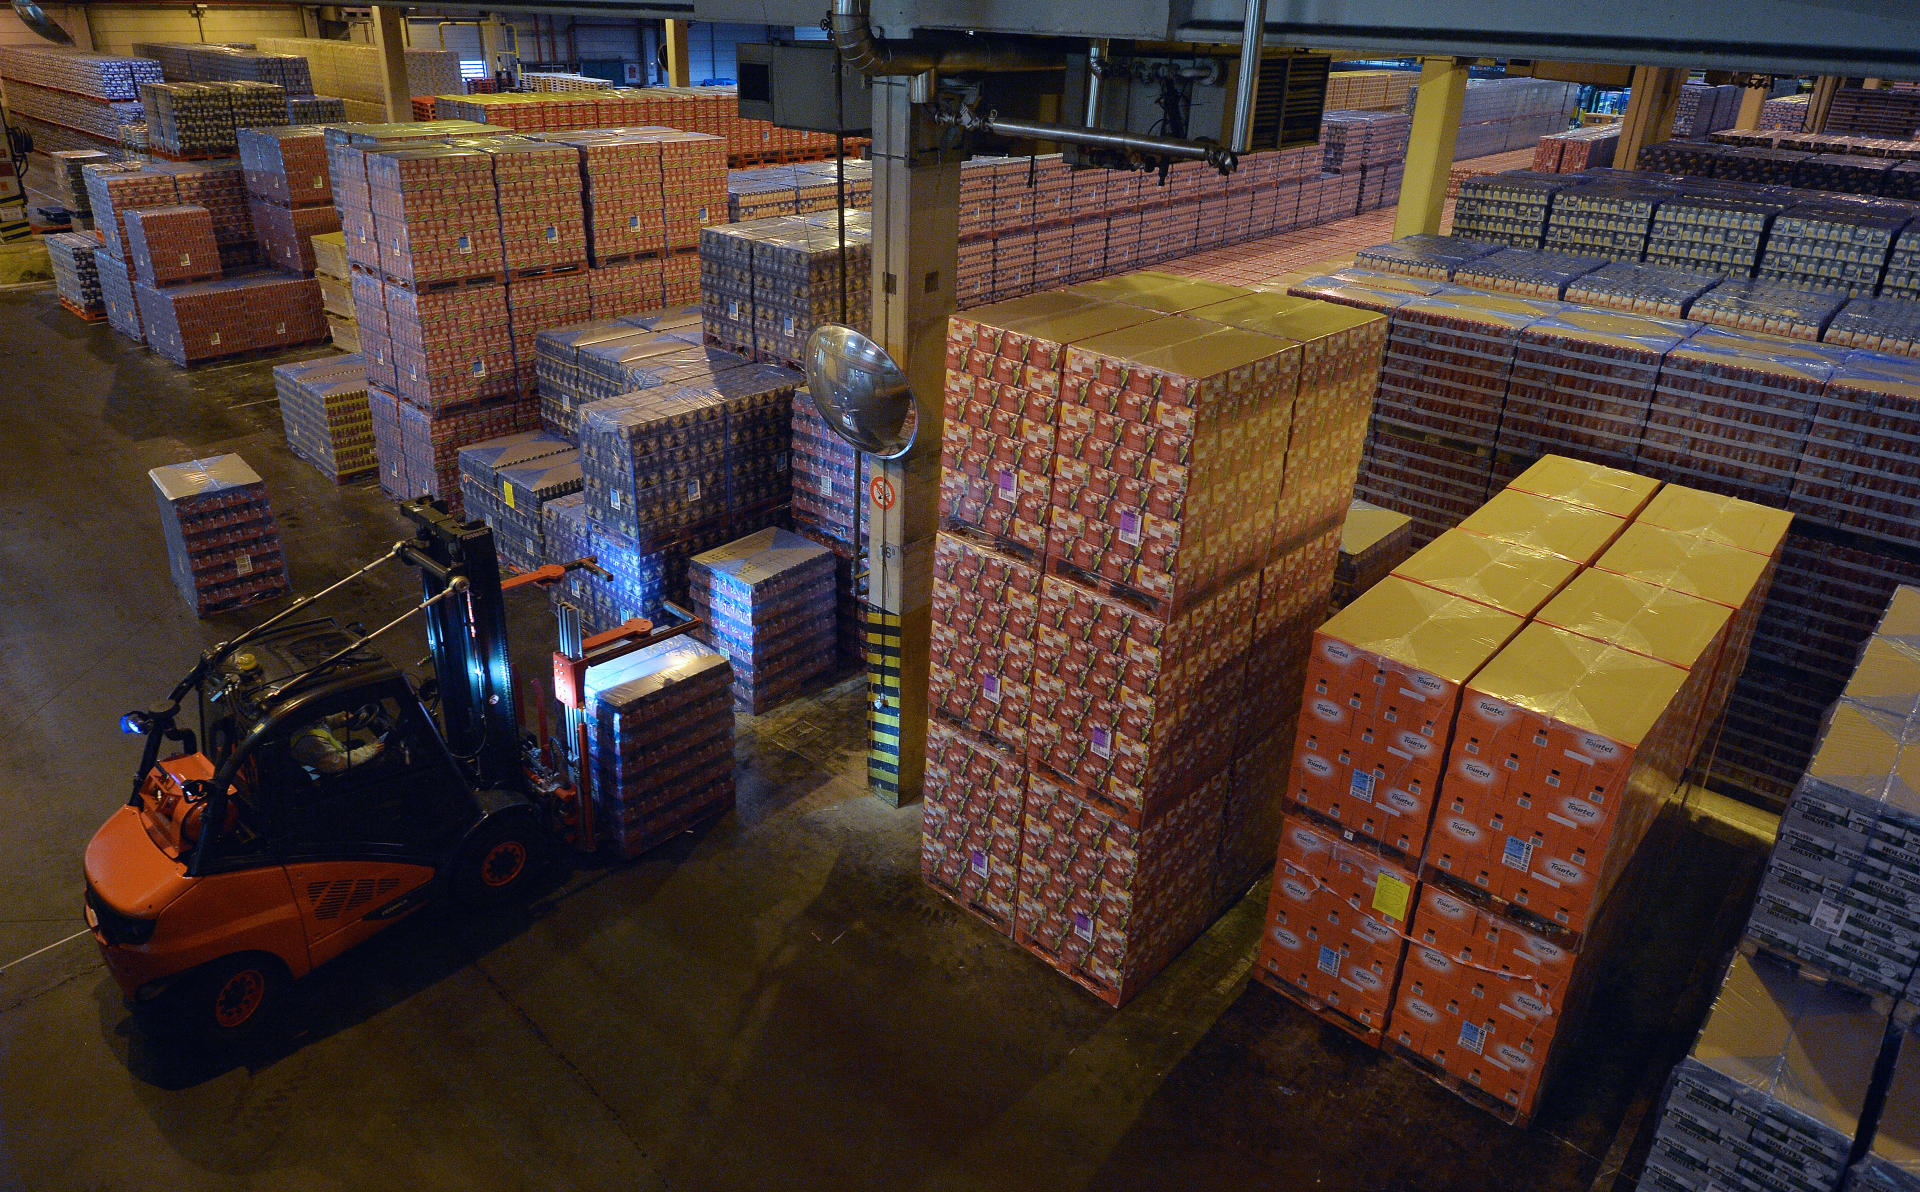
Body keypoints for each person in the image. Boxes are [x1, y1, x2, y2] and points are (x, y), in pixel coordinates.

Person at [291, 709, 385, 776]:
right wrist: (370, 750)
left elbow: (323, 724)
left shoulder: (306, 724)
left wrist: (341, 718)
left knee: (358, 742)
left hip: (331, 755)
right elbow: (338, 763)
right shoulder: (311, 740)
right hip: (331, 770)